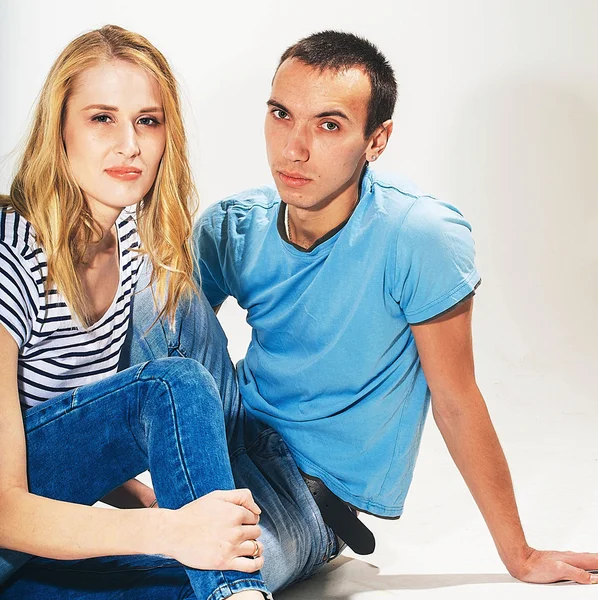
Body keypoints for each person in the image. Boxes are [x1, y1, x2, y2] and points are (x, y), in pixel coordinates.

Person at [123, 29, 598, 594]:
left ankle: (168, 528)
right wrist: (132, 488)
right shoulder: (234, 226)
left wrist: (518, 554)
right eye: (281, 114)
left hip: (304, 498)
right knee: (149, 283)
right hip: (225, 434)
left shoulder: (417, 237)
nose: (294, 148)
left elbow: (456, 398)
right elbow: (153, 349)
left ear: (377, 140)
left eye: (329, 125)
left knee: (180, 584)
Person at [0, 25, 269, 600]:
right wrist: (170, 528)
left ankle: (227, 585)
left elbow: (68, 423)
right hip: (9, 521)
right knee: (172, 387)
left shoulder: (125, 242)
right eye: (102, 118)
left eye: (147, 121)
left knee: (181, 580)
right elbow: (4, 507)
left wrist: (156, 506)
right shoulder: (13, 253)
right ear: (60, 131)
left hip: (25, 553)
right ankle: (236, 593)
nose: (131, 144)